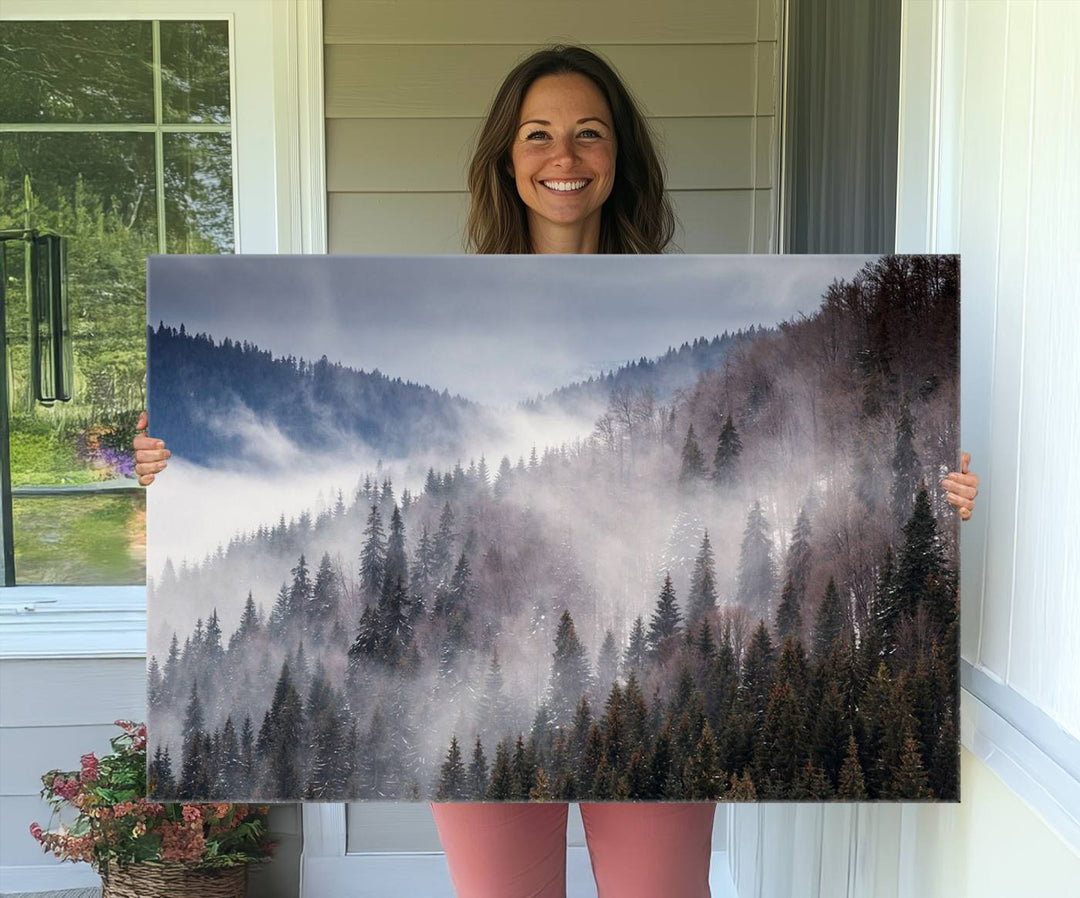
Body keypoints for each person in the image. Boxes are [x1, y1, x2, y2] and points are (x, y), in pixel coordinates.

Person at [134, 45, 979, 898]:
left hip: (653, 668)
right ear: (507, 158)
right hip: (477, 656)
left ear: (620, 158)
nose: (564, 157)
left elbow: (800, 467)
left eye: (588, 134)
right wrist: (177, 472)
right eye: (538, 135)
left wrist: (925, 492)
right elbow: (328, 457)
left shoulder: (697, 314)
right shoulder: (435, 317)